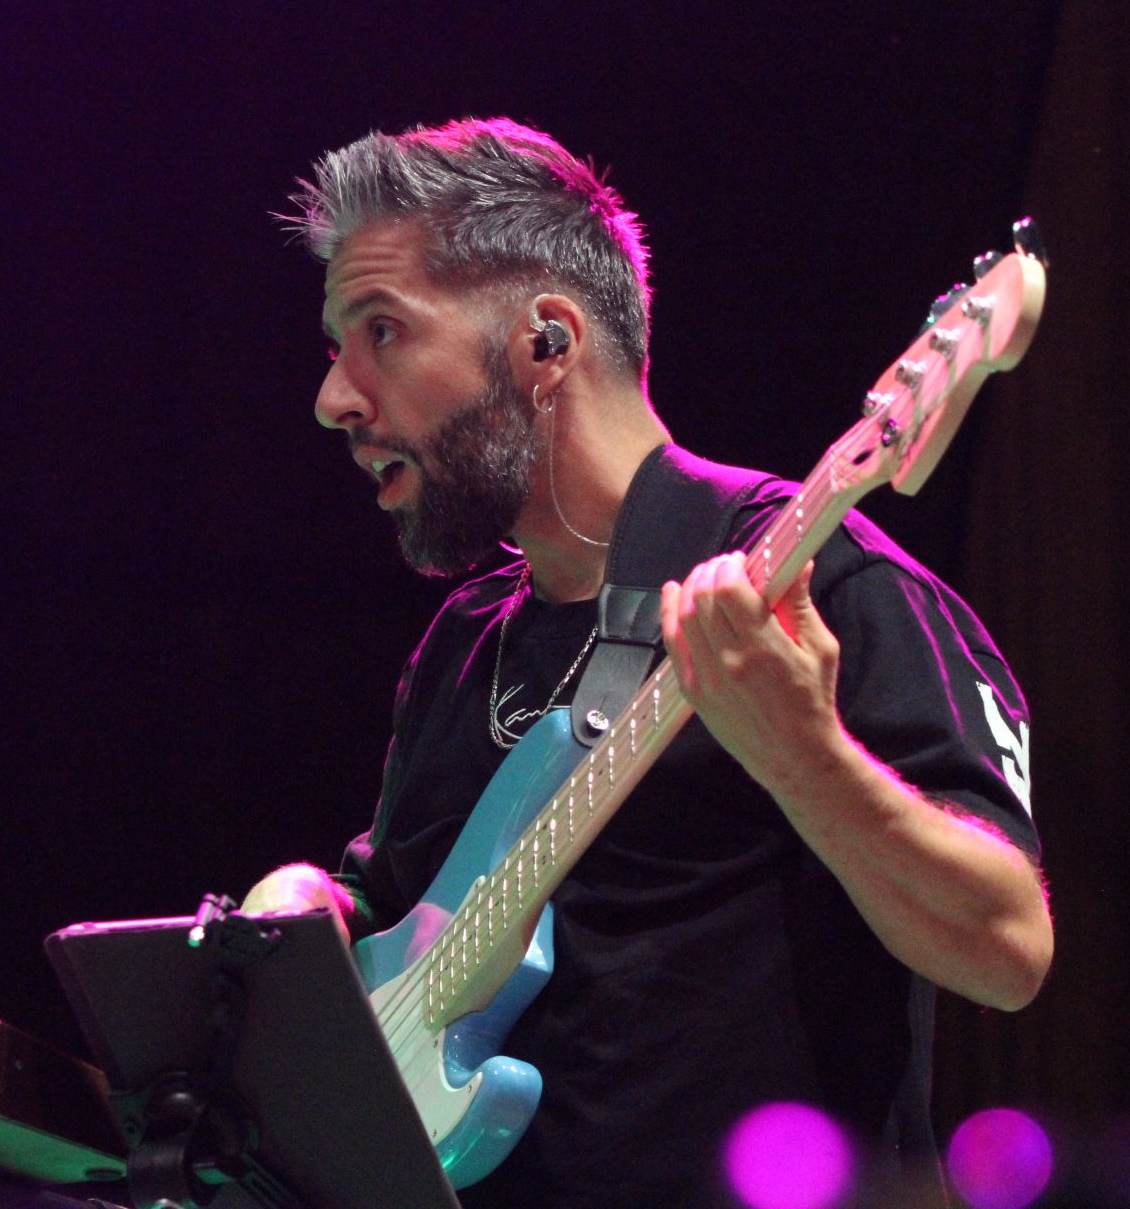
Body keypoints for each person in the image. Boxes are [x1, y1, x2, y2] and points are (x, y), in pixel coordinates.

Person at [244, 118, 1051, 1209]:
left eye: (380, 331)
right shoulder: (462, 647)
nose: (334, 397)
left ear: (546, 342)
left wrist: (803, 753)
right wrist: (306, 903)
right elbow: (390, 911)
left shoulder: (824, 584)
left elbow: (1008, 946)